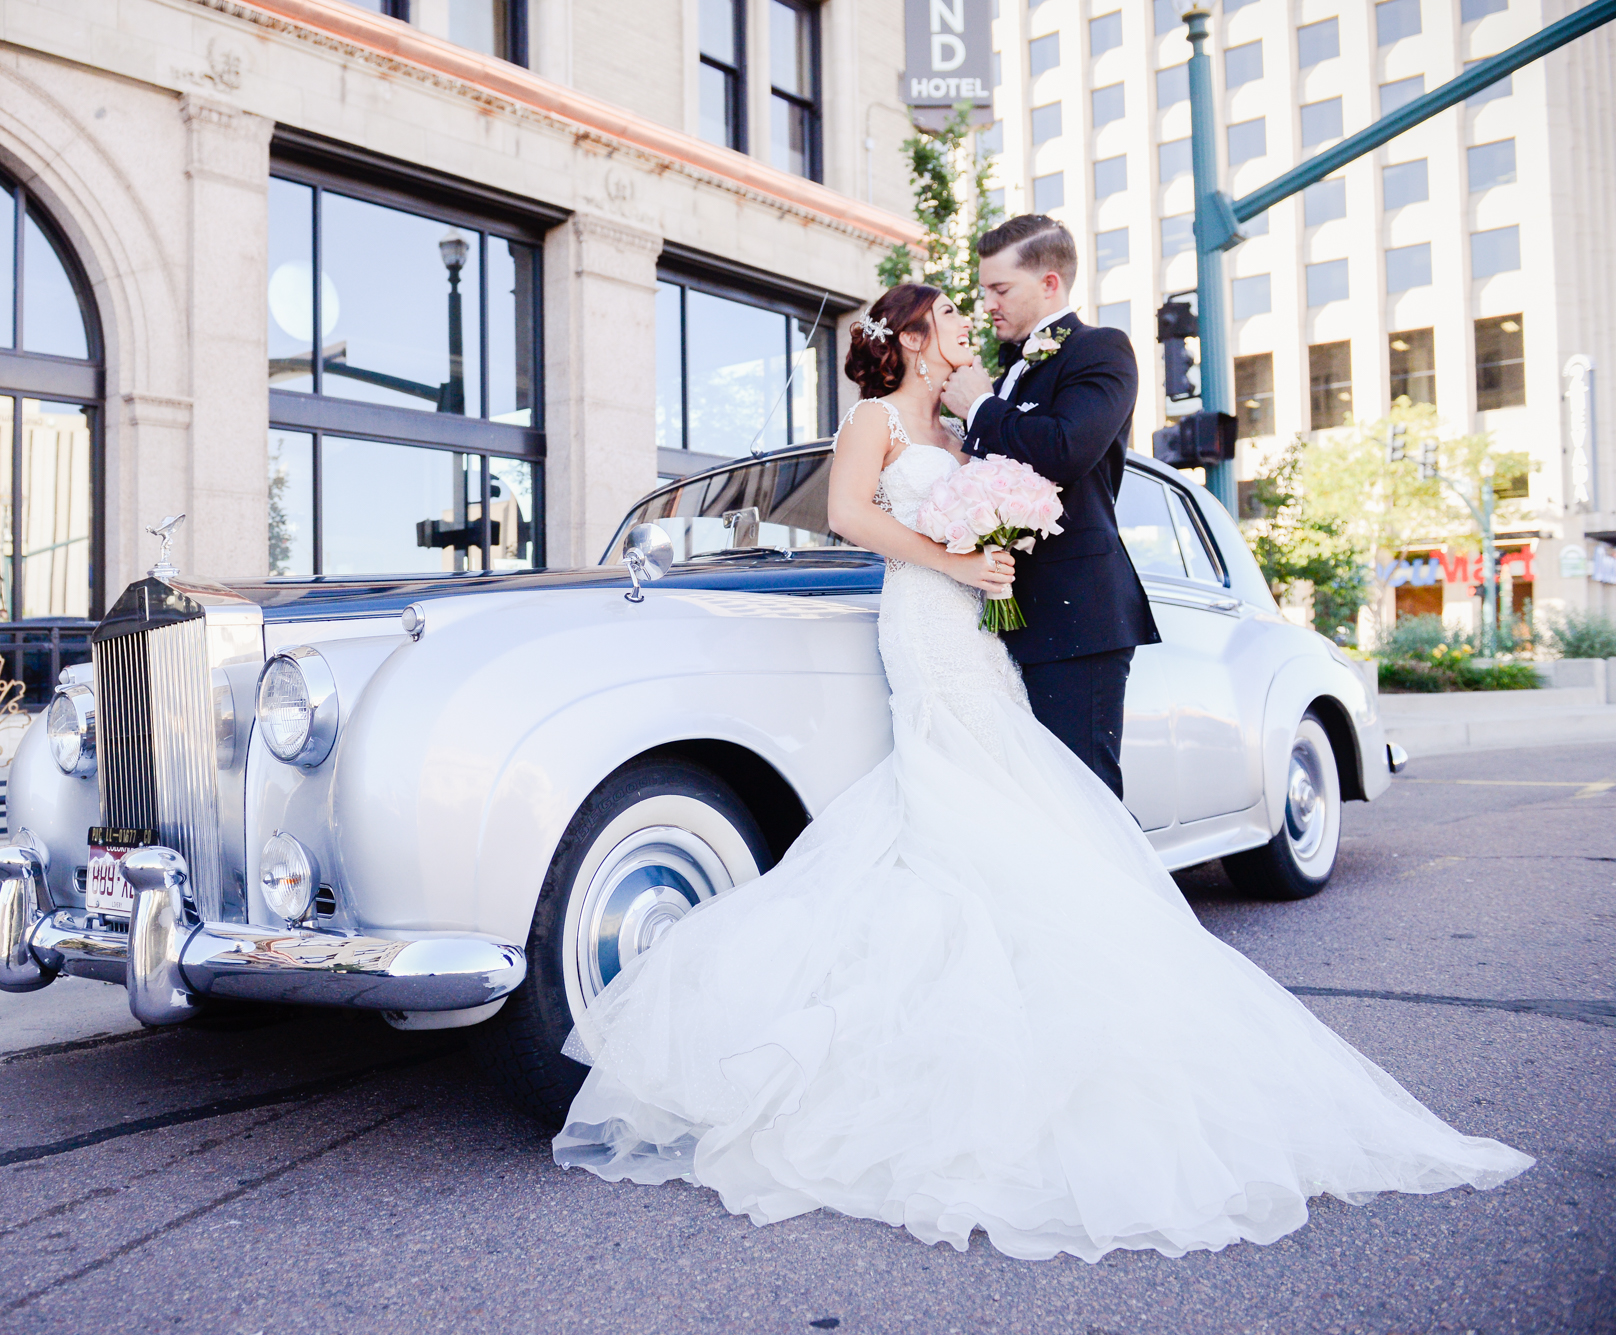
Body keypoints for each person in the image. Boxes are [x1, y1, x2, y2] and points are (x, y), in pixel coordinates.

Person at [551, 282, 1532, 1263]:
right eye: (955, 319)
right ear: (912, 336)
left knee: (994, 805)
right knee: (946, 800)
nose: (970, 332)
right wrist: (953, 561)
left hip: (977, 630)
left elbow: (1016, 496)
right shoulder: (873, 419)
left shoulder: (968, 429)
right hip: (924, 623)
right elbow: (849, 515)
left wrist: (990, 549)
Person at [942, 215, 1157, 799]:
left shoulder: (1101, 350)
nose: (986, 303)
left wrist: (981, 409)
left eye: (999, 289)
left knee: (1080, 796)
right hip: (994, 615)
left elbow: (1066, 450)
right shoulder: (1005, 370)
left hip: (1075, 617)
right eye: (984, 289)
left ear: (1050, 283)